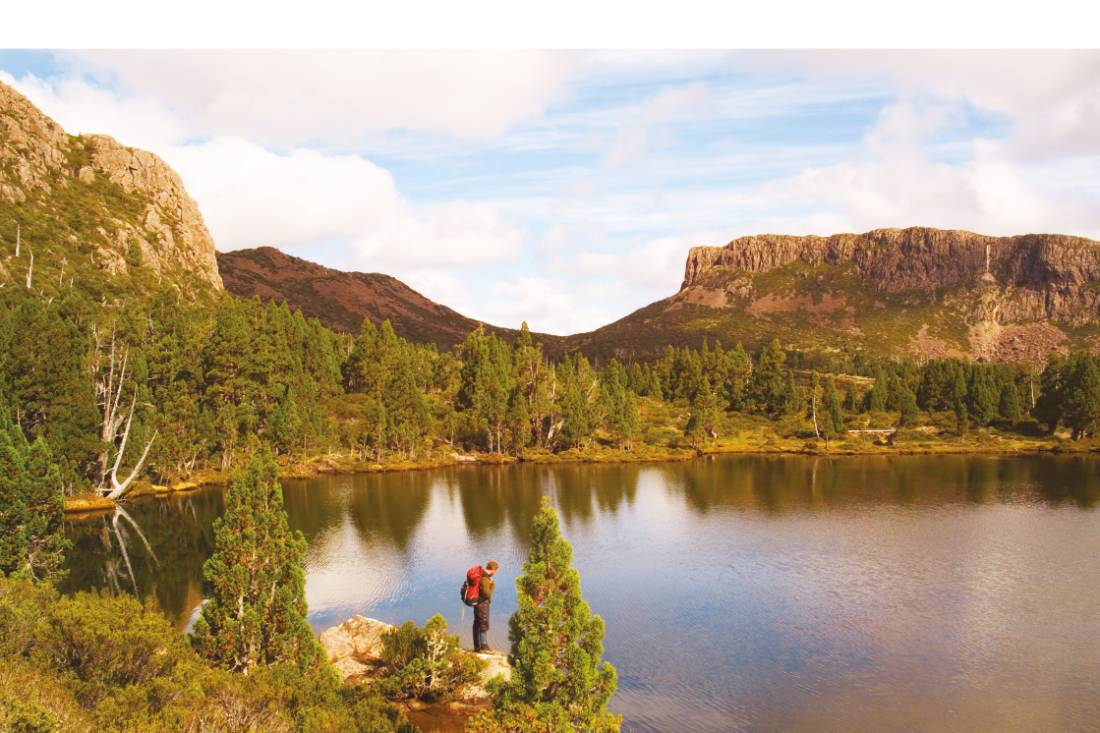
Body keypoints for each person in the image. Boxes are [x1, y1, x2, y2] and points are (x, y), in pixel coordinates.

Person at [473, 560, 499, 653]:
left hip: (477, 603)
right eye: (496, 572)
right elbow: (487, 594)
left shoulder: (481, 575)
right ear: (493, 570)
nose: (495, 574)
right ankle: (484, 647)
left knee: (477, 624)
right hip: (482, 604)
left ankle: (477, 647)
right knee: (483, 624)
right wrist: (492, 585)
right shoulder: (484, 578)